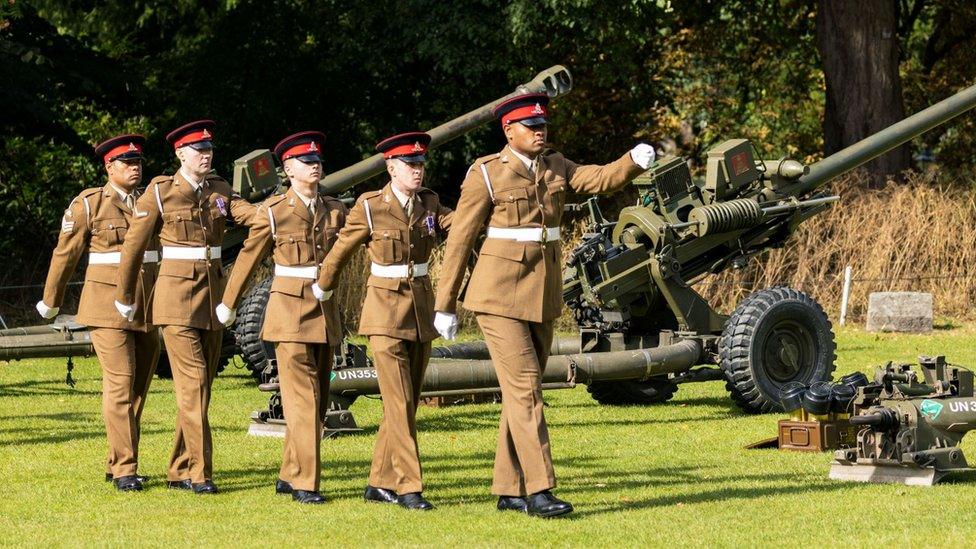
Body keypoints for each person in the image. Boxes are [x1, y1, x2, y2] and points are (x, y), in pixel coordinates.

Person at [432, 93, 656, 517]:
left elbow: (598, 179)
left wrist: (632, 160)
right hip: (498, 296)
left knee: (521, 393)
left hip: (541, 294)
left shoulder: (556, 165)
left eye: (543, 126)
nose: (540, 132)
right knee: (526, 389)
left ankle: (509, 488)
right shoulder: (485, 173)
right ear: (508, 130)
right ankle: (539, 490)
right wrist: (445, 305)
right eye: (531, 127)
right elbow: (459, 239)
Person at [114, 120, 256, 494]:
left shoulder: (220, 190)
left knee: (202, 387)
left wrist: (286, 211)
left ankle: (178, 467)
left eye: (209, 151)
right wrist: (125, 296)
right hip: (174, 299)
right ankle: (199, 473)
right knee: (193, 386)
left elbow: (250, 216)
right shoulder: (162, 192)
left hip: (212, 301)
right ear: (180, 154)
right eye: (198, 151)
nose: (206, 156)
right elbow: (133, 246)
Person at [314, 132, 453, 511]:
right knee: (398, 402)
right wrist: (323, 286)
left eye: (421, 164)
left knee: (406, 403)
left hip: (421, 313)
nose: (417, 171)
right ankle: (409, 486)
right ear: (391, 168)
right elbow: (342, 249)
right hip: (385, 314)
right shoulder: (371, 206)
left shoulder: (429, 202)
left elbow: (454, 224)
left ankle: (379, 482)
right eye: (410, 165)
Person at [217, 131, 346, 504]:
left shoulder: (335, 209)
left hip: (325, 314)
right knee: (302, 401)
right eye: (307, 162)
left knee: (318, 400)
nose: (315, 166)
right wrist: (229, 302)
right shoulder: (273, 212)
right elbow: (248, 257)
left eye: (317, 161)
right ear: (288, 169)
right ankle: (307, 483)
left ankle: (290, 473)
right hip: (288, 313)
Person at [37, 134, 161, 492]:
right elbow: (65, 255)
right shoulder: (90, 204)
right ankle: (125, 469)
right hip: (106, 307)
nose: (135, 168)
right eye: (127, 162)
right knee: (120, 384)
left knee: (139, 389)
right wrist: (52, 301)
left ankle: (117, 460)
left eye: (138, 162)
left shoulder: (151, 199)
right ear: (109, 166)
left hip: (147, 305)